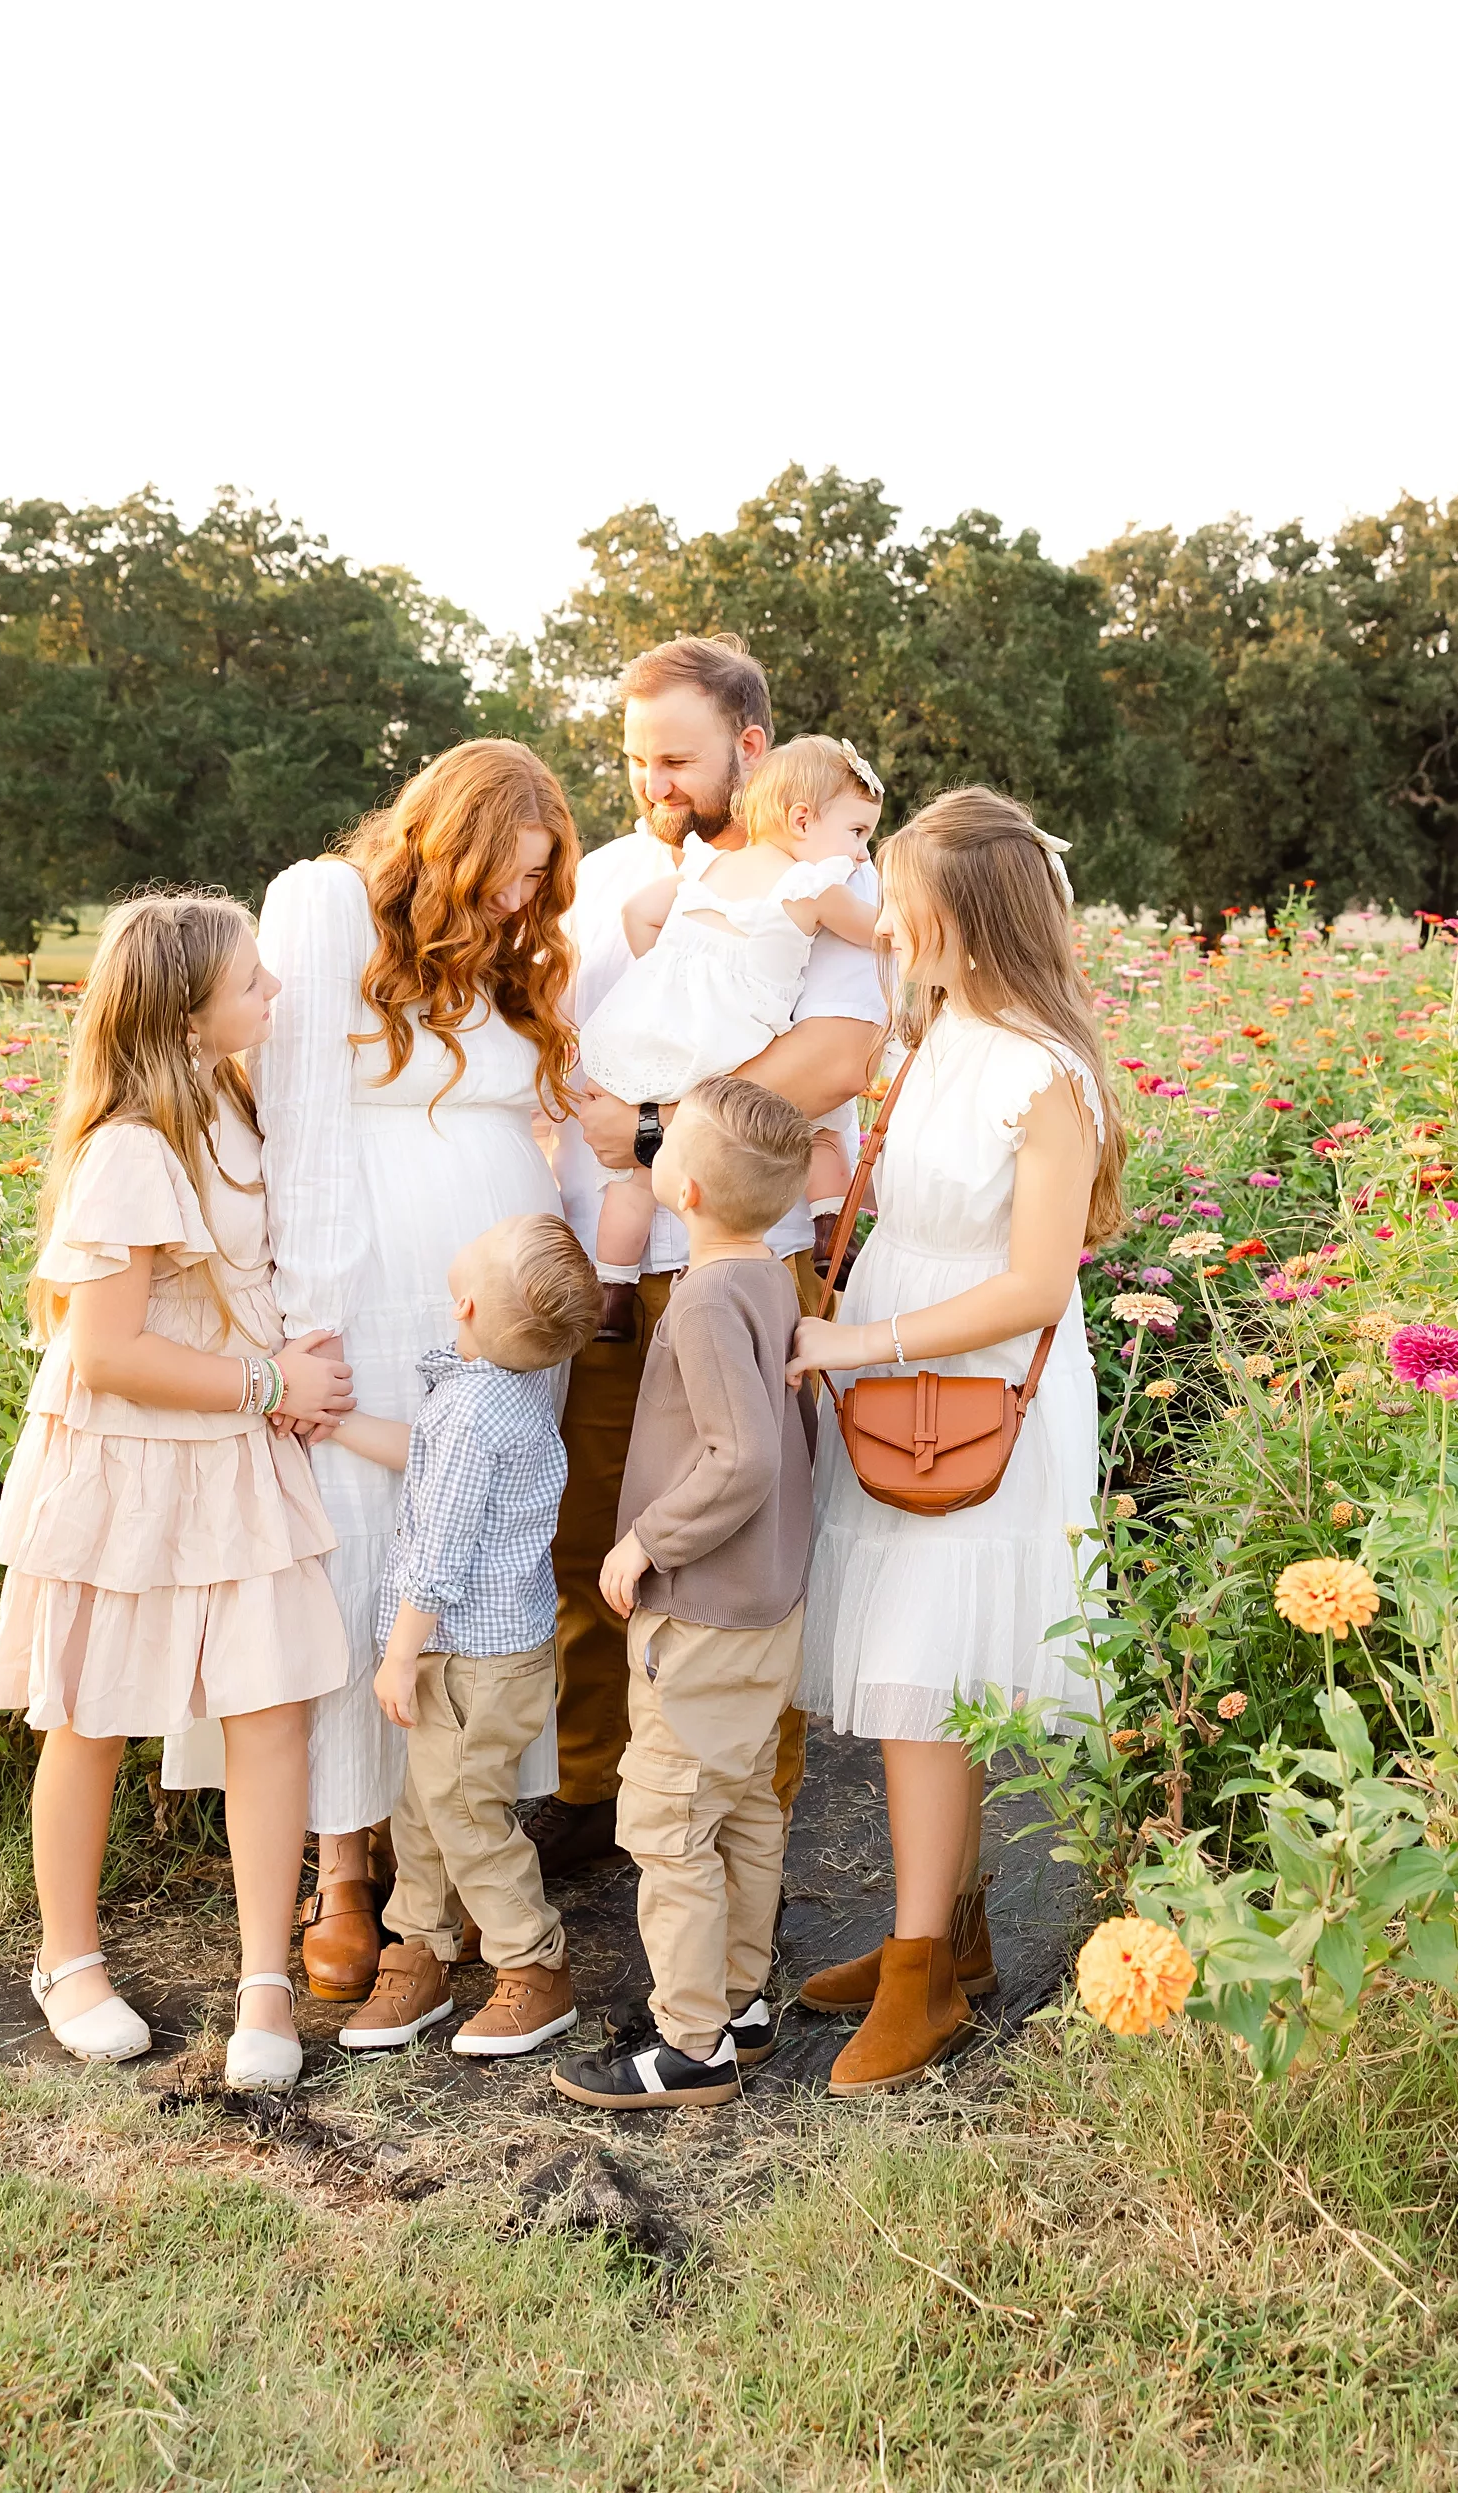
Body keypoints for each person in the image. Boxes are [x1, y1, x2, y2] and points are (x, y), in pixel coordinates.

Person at [160, 742, 582, 2007]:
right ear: (443, 844)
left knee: (475, 1546)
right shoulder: (328, 907)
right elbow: (298, 1124)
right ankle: (340, 1867)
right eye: (505, 877)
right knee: (355, 1556)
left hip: (501, 1307)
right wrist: (308, 1322)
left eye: (539, 883)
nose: (520, 904)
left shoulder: (512, 962)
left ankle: (439, 1874)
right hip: (375, 1294)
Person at [0, 894, 357, 2092]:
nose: (276, 995)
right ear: (188, 1013)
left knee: (269, 1708)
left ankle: (263, 1979)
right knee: (90, 1714)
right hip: (127, 1456)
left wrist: (286, 1376)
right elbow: (108, 1352)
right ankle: (67, 1958)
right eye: (254, 982)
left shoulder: (234, 1103)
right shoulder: (131, 1149)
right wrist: (269, 1379)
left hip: (229, 1447)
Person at [786, 789, 1125, 2093]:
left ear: (966, 923)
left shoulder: (1044, 1069)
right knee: (907, 1670)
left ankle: (924, 1968)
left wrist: (854, 1347)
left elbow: (1035, 1285)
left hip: (972, 1382)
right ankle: (949, 1929)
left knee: (928, 1676)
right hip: (897, 1362)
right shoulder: (940, 1034)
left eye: (902, 903)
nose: (882, 922)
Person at [538, 635, 886, 1874]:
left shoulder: (822, 867)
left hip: (740, 1254)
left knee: (741, 1546)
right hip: (607, 1263)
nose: (652, 781)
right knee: (591, 1528)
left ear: (749, 747)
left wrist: (651, 1131)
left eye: (677, 758)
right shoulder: (620, 875)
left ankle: (745, 1824)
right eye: (636, 758)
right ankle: (592, 1785)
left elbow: (836, 1056)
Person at [552, 1077, 818, 2110]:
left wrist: (645, 1543)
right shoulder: (765, 1277)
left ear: (690, 1190)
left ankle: (690, 2042)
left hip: (702, 1605)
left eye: (665, 1141)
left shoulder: (703, 1297)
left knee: (668, 1821)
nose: (649, 1144)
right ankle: (740, 2002)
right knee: (746, 1805)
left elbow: (743, 1457)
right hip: (767, 1603)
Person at [325, 1214, 601, 2057]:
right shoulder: (501, 1391)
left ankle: (533, 1964)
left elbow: (438, 1552)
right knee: (426, 1805)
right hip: (495, 1653)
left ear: (469, 1300)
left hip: (463, 1659)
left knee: (464, 1811)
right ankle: (419, 1946)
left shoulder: (471, 1411)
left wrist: (400, 1653)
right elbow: (428, 1460)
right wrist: (337, 1426)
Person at [579, 735, 883, 1337]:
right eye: (857, 833)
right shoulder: (816, 883)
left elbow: (638, 913)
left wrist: (662, 976)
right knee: (817, 1127)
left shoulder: (706, 866)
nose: (860, 852)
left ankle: (612, 1292)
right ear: (803, 819)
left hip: (655, 1023)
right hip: (732, 1034)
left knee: (635, 1175)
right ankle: (830, 1229)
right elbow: (876, 933)